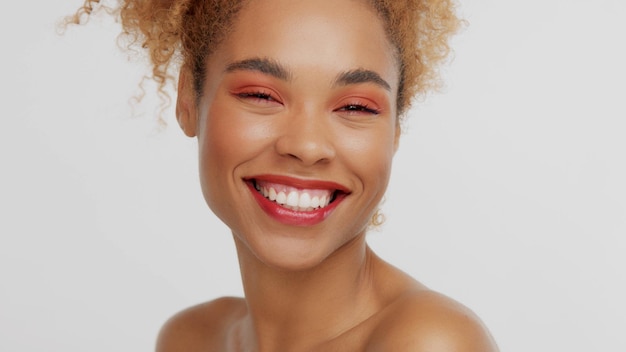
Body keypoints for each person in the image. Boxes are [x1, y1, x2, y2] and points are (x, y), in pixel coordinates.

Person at [69, 0, 499, 350]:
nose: (307, 146)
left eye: (355, 107)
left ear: (395, 132)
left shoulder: (427, 342)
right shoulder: (189, 339)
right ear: (187, 101)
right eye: (260, 95)